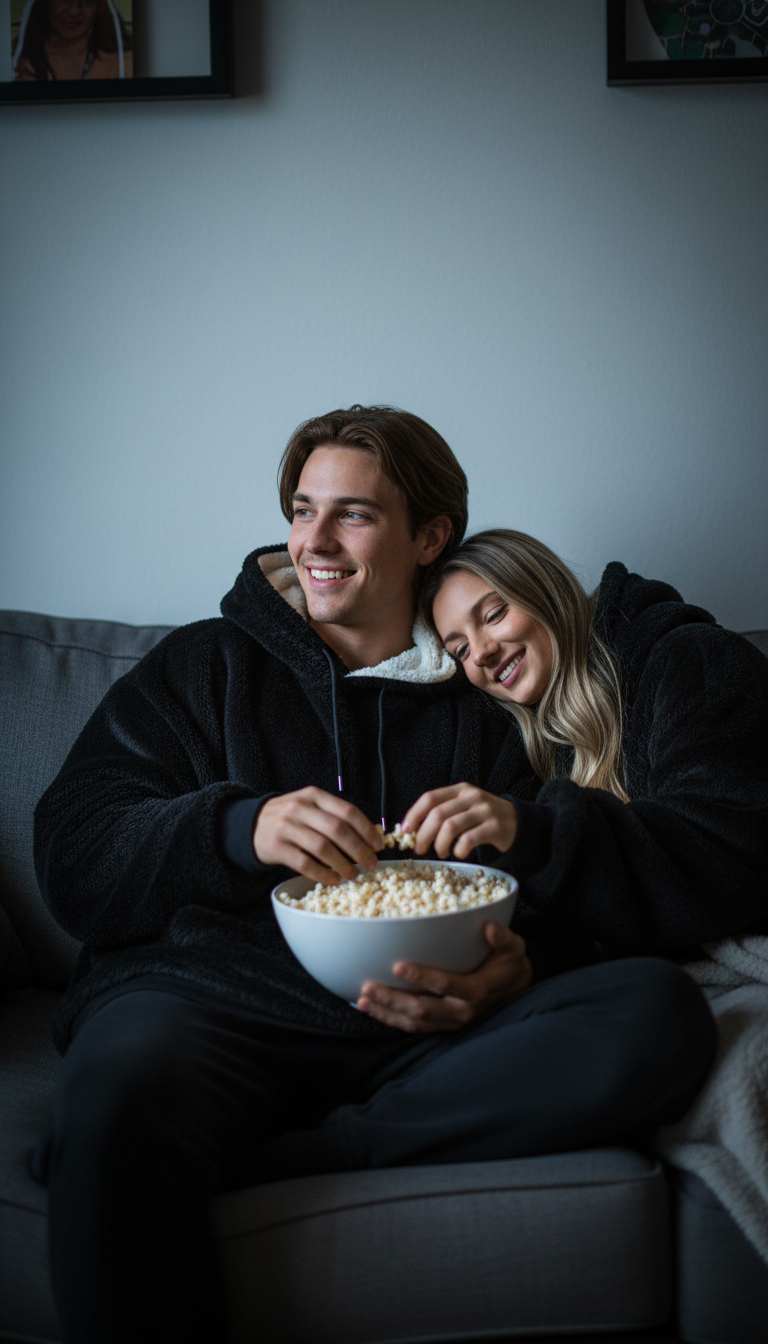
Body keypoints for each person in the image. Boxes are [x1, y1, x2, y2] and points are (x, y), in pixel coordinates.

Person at [33, 409, 717, 1344]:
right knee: (116, 1091)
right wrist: (237, 824)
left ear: (428, 536)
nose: (313, 541)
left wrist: (514, 966)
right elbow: (74, 851)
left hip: (430, 1030)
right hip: (216, 1006)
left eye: (350, 514)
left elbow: (564, 890)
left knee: (657, 1012)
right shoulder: (203, 667)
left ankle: (314, 1154)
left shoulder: (490, 695)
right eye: (302, 509)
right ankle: (163, 1146)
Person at [410, 527, 768, 973]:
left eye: (495, 613)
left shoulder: (695, 659)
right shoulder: (537, 744)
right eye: (460, 649)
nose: (480, 653)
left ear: (546, 591)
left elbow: (727, 849)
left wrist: (537, 833)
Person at [13, 0, 132, 83]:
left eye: (86, 1)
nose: (74, 11)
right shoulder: (16, 60)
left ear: (99, 5)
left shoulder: (126, 62)